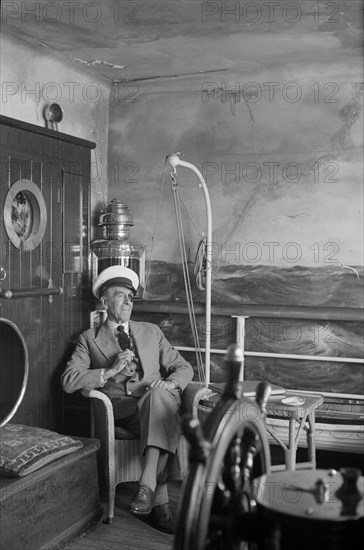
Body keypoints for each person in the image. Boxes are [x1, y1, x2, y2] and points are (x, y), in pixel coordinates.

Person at [61, 265, 194, 534]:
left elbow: (184, 368)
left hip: (158, 404)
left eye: (131, 296)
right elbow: (68, 380)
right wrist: (108, 371)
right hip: (122, 411)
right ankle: (160, 502)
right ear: (104, 301)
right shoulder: (89, 339)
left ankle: (146, 487)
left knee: (158, 397)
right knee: (167, 417)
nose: (128, 301)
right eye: (120, 295)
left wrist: (171, 382)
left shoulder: (151, 331)